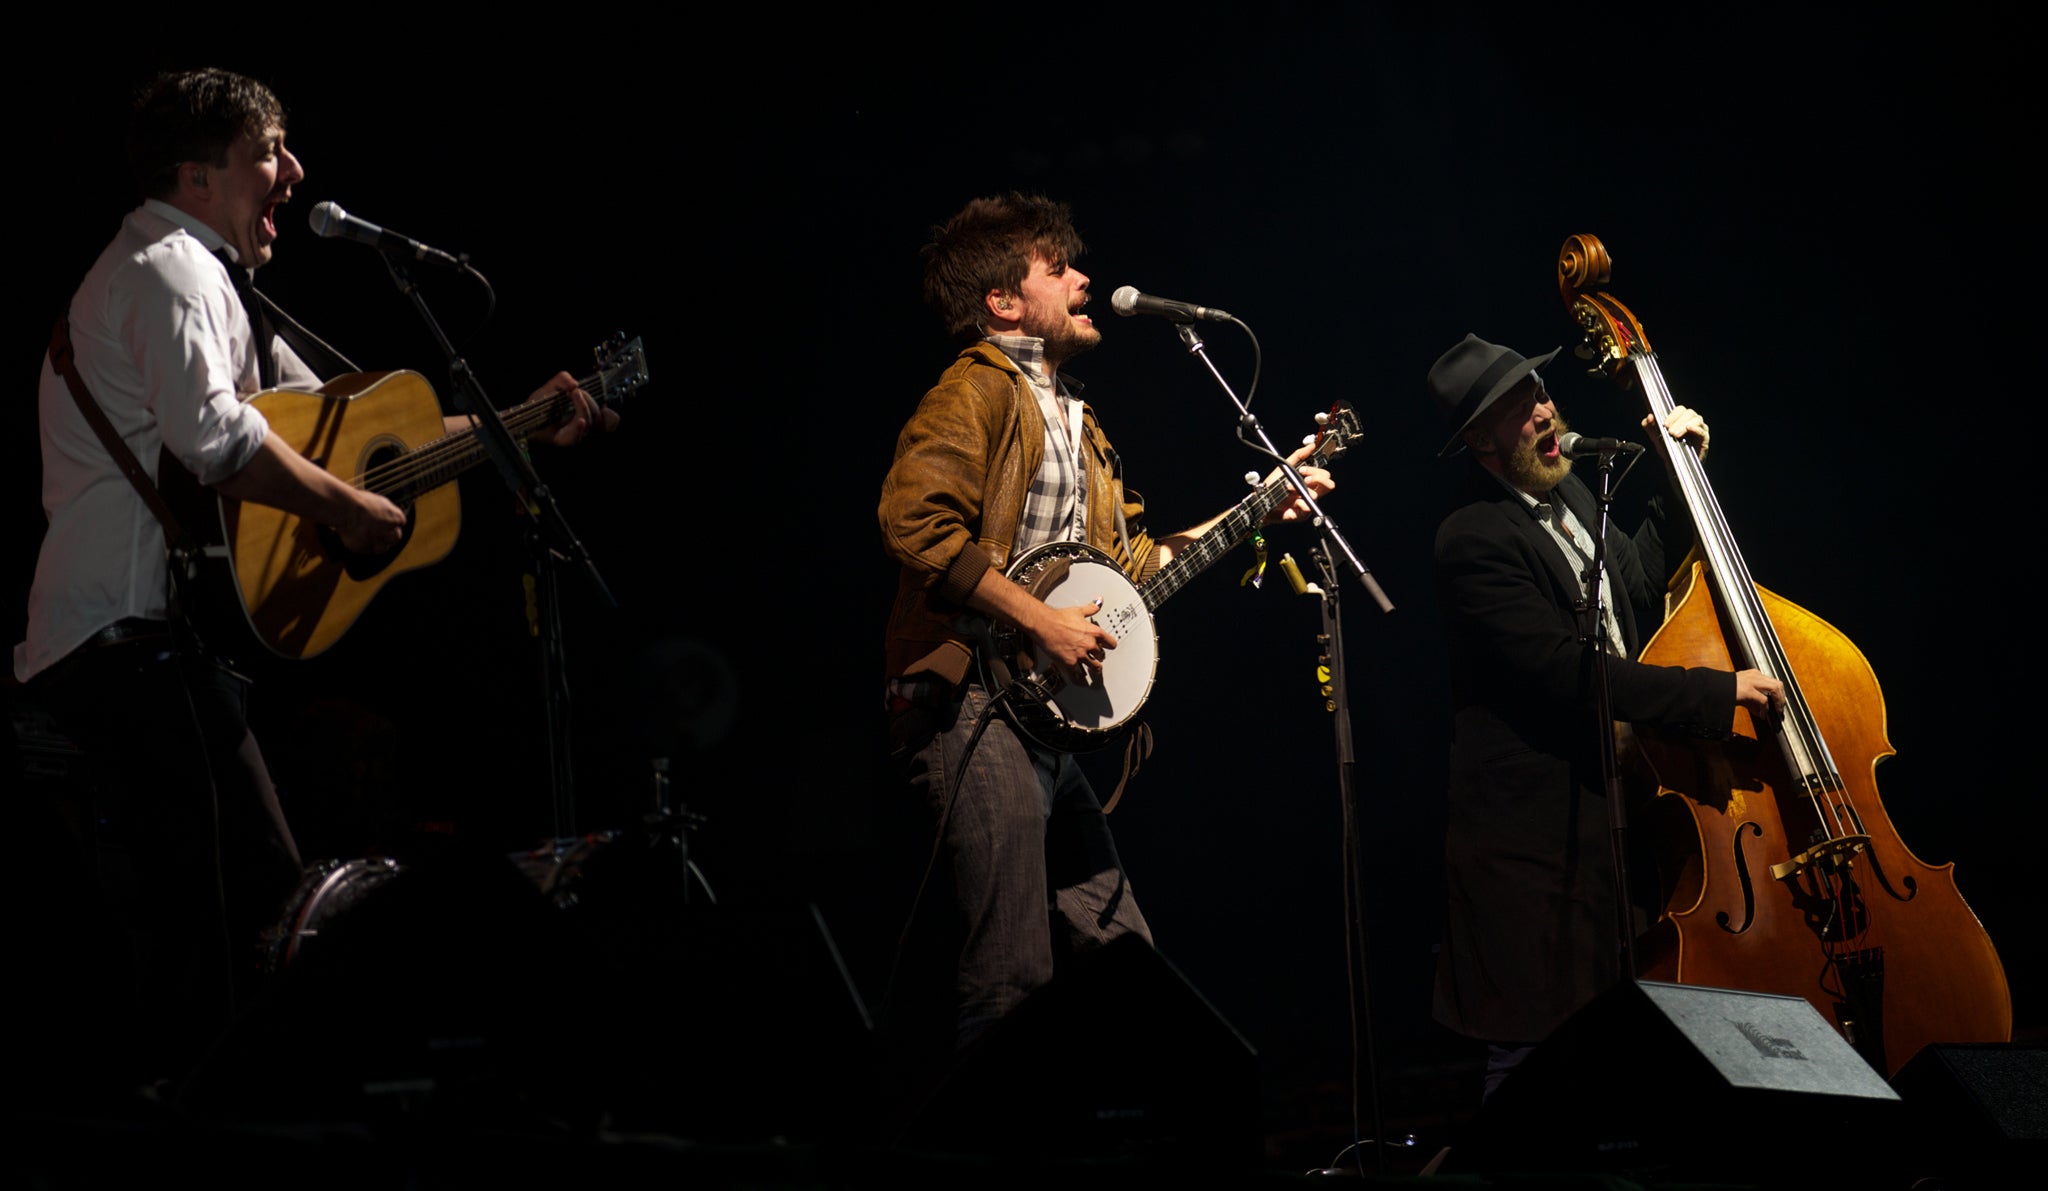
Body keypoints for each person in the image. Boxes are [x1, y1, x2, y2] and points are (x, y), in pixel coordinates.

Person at [16, 67, 613, 1088]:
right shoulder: (171, 270)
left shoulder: (204, 280)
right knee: (262, 907)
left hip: (137, 639)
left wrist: (519, 426)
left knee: (204, 930)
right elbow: (218, 442)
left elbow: (357, 438)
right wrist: (341, 512)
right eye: (270, 153)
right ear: (200, 176)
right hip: (124, 641)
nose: (292, 172)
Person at [878, 193, 1331, 1056]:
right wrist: (1039, 619)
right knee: (1011, 978)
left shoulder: (1079, 423)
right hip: (971, 705)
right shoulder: (973, 391)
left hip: (1037, 717)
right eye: (1058, 270)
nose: (1085, 279)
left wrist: (1264, 506)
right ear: (1003, 303)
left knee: (1129, 964)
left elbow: (1135, 571)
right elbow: (914, 523)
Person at [1426, 334, 1784, 1097]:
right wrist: (1714, 696)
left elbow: (1641, 579)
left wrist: (1676, 475)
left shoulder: (1574, 495)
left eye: (1542, 394)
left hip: (1613, 827)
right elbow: (1571, 673)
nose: (1545, 411)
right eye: (1521, 408)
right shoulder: (1473, 538)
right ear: (1481, 439)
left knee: (1621, 1061)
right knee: (1534, 1064)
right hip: (1536, 850)